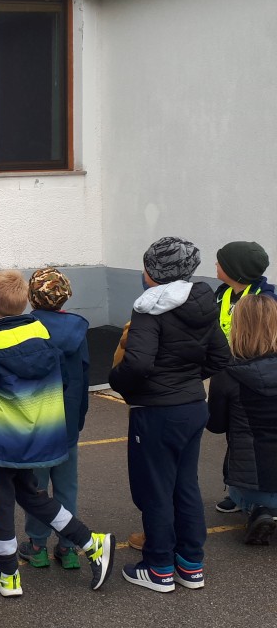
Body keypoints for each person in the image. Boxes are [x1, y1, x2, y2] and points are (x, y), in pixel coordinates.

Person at [0, 270, 115, 598]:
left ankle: (8, 574)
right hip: (36, 438)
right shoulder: (44, 335)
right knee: (34, 498)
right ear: (25, 301)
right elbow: (68, 381)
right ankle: (90, 542)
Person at [109, 237, 230, 592]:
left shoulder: (150, 307)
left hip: (157, 413)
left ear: (155, 272)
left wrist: (118, 382)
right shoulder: (204, 302)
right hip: (193, 406)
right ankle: (190, 565)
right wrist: (188, 381)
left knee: (155, 489)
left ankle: (159, 566)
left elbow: (138, 362)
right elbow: (220, 357)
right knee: (185, 485)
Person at [17, 268, 90, 570]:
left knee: (36, 488)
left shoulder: (25, 330)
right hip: (68, 421)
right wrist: (79, 419)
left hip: (36, 424)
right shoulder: (78, 332)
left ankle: (36, 544)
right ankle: (69, 546)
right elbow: (83, 380)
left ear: (31, 297)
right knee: (66, 486)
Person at [206, 295, 277, 545]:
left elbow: (215, 425)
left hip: (251, 479)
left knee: (247, 490)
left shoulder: (226, 373)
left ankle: (258, 509)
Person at [212, 241, 275, 514]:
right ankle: (239, 488)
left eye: (220, 262)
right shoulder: (222, 293)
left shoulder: (266, 298)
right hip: (230, 367)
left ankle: (254, 496)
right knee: (237, 433)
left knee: (258, 432)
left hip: (257, 367)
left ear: (234, 270)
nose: (215, 265)